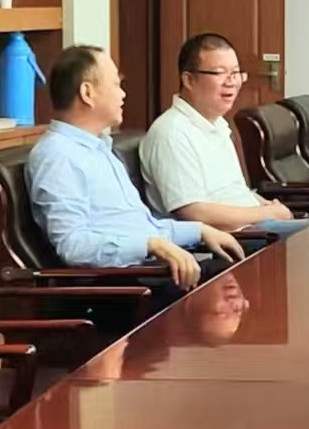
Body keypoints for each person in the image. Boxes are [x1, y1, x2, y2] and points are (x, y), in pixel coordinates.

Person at [26, 44, 245, 295]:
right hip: (117, 288)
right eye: (116, 84)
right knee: (233, 280)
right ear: (87, 93)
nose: (123, 94)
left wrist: (200, 231)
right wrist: (151, 245)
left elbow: (146, 229)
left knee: (242, 266)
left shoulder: (100, 149)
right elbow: (73, 246)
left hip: (145, 271)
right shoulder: (57, 156)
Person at [138, 33, 309, 242]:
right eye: (220, 73)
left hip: (256, 226)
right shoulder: (171, 133)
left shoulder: (217, 124)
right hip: (232, 240)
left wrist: (264, 204)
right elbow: (194, 213)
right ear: (189, 80)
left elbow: (232, 191)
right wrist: (266, 213)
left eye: (235, 73)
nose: (231, 82)